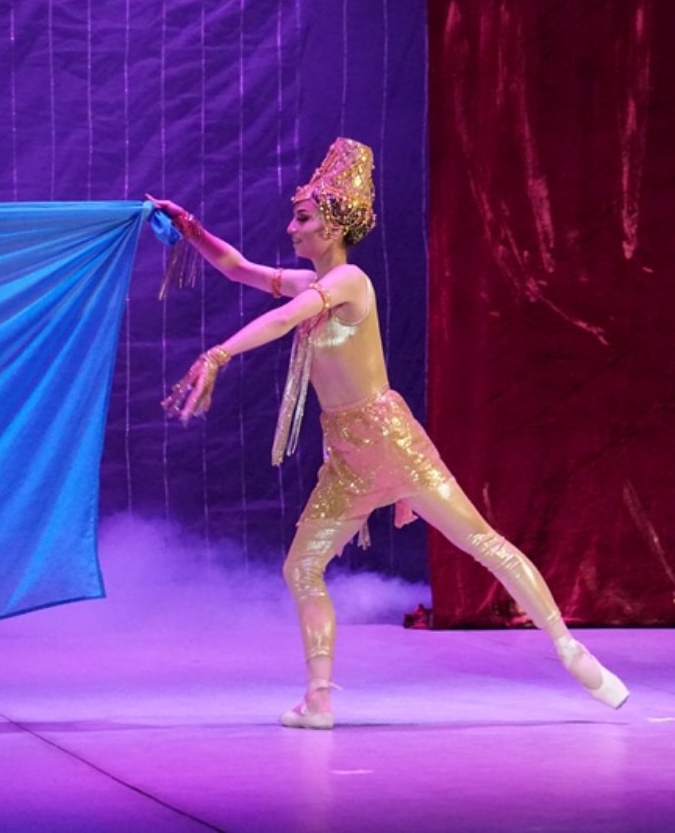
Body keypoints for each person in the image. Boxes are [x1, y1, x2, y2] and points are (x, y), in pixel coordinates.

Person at [150, 138, 629, 729]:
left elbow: (286, 318)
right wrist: (190, 227)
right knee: (301, 568)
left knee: (483, 543)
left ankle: (572, 651)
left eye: (302, 218)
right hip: (347, 457)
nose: (291, 228)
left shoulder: (349, 281)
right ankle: (319, 700)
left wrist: (220, 353)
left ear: (331, 227)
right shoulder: (308, 283)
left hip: (390, 442)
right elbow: (238, 268)